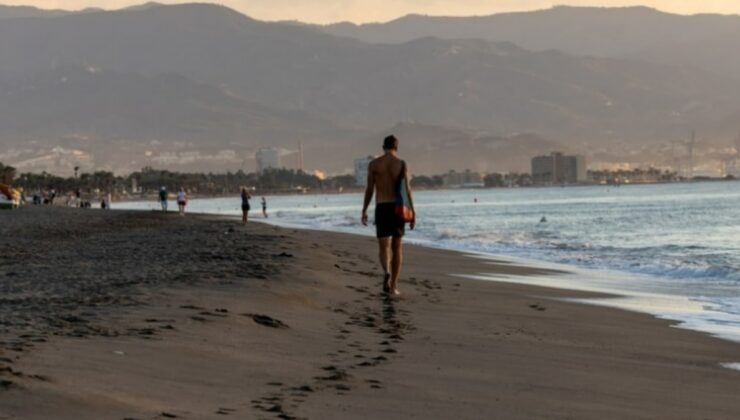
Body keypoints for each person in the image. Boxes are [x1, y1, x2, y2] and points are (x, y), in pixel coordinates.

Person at [361, 135, 415, 296]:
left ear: (383, 147)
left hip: (382, 206)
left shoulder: (374, 164)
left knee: (383, 246)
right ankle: (394, 286)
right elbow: (407, 190)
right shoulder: (401, 164)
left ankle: (386, 272)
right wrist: (413, 212)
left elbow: (370, 189)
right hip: (397, 208)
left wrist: (364, 210)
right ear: (396, 147)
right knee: (397, 247)